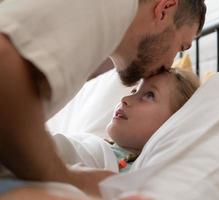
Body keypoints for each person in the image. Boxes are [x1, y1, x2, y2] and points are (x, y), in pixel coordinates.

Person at [0, 0, 206, 196]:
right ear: (164, 8)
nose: (169, 64)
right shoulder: (113, 6)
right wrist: (64, 176)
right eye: (180, 47)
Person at [52, 68, 200, 174]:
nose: (126, 99)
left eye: (149, 95)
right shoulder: (95, 147)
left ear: (173, 122)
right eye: (134, 91)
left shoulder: (146, 175)